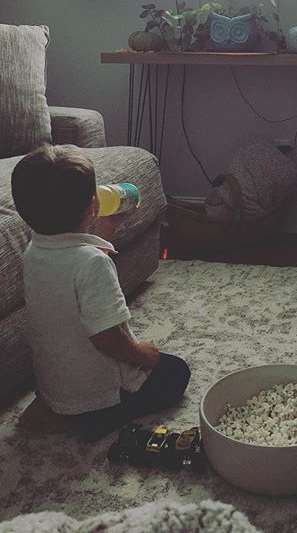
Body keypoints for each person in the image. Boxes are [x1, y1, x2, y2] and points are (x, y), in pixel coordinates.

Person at [11, 144, 190, 441]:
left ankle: (53, 405)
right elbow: (106, 337)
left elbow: (74, 255)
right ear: (91, 205)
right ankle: (89, 419)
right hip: (95, 392)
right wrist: (142, 356)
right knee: (175, 372)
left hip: (55, 378)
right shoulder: (93, 264)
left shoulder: (35, 250)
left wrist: (107, 227)